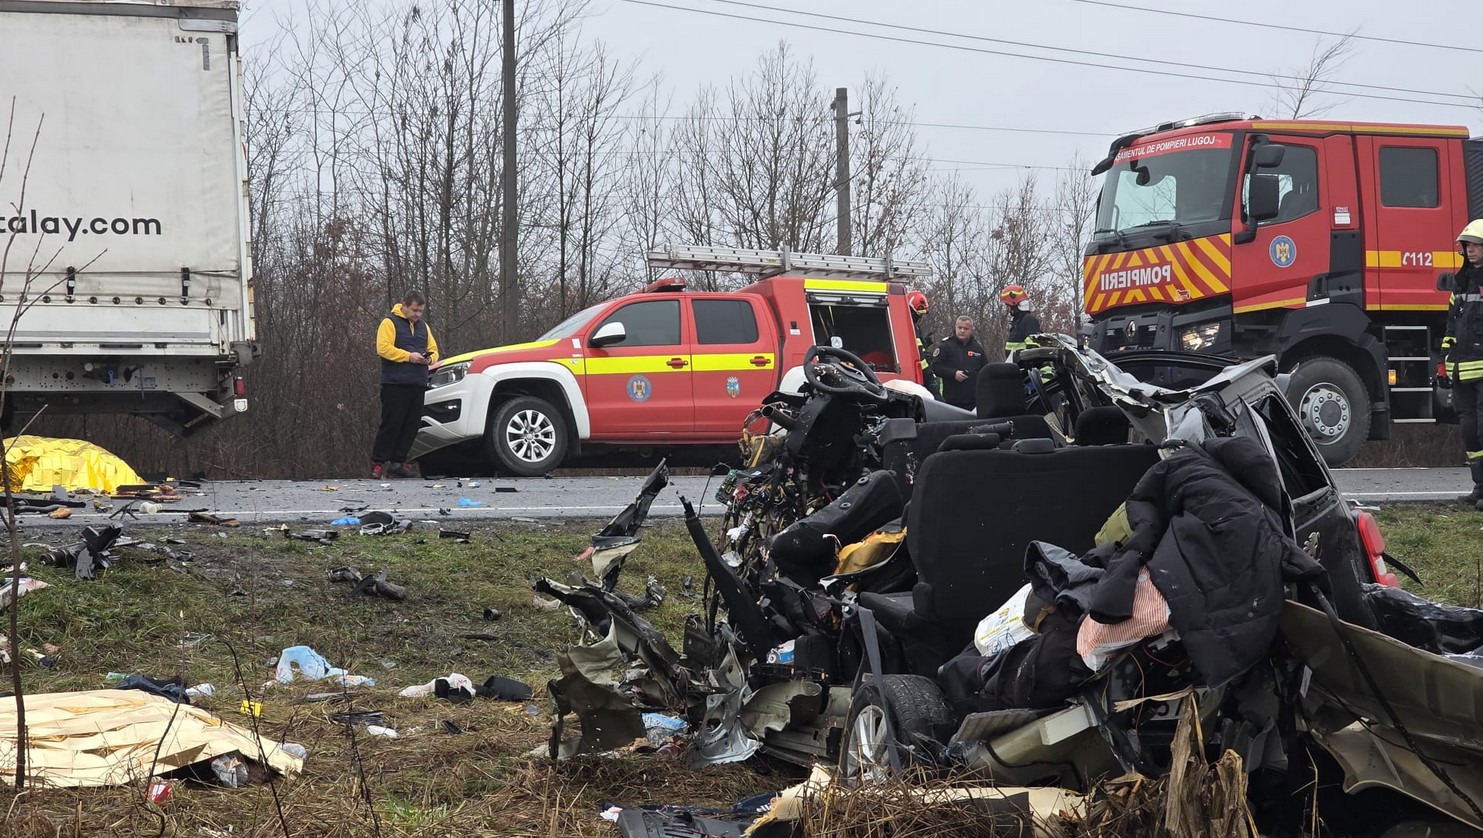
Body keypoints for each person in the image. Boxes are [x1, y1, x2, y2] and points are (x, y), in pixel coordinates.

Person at [372, 291, 439, 479]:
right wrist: (408, 356)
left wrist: (429, 359)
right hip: (395, 382)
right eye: (414, 310)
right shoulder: (390, 322)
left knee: (411, 424)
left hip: (418, 382)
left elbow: (433, 350)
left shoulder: (423, 327)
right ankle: (378, 463)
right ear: (404, 305)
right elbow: (383, 348)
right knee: (392, 423)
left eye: (420, 311)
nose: (417, 314)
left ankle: (397, 463)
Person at [1443, 220, 1483, 508]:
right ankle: (1480, 488)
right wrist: (1447, 361)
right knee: (1470, 433)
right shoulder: (1461, 283)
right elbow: (1450, 327)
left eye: (1475, 245)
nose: (1470, 250)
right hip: (1463, 371)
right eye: (1467, 246)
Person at [929, 315, 988, 410]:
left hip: (973, 401)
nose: (962, 331)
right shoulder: (946, 346)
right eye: (960, 328)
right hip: (951, 400)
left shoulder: (978, 348)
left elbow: (985, 370)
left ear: (971, 331)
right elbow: (935, 367)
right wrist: (953, 373)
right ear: (955, 328)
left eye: (966, 328)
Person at [906, 290, 939, 395]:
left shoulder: (914, 326)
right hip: (921, 374)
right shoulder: (909, 325)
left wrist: (925, 343)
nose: (920, 317)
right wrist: (928, 374)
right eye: (919, 313)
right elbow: (918, 353)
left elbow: (917, 346)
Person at [1001, 284, 1042, 359]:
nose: (1007, 309)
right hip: (1016, 367)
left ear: (1014, 305)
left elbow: (1034, 350)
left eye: (1008, 305)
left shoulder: (1028, 321)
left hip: (1027, 367)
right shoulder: (1018, 323)